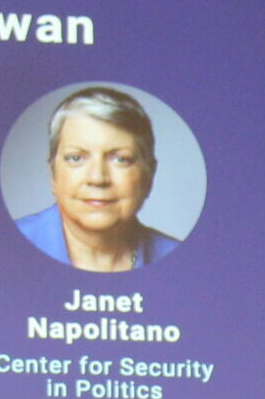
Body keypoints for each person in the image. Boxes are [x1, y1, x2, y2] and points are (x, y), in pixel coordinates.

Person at [15, 87, 181, 272]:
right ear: (53, 175)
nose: (97, 178)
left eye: (121, 159)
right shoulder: (5, 246)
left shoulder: (183, 263)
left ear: (149, 176)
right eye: (76, 158)